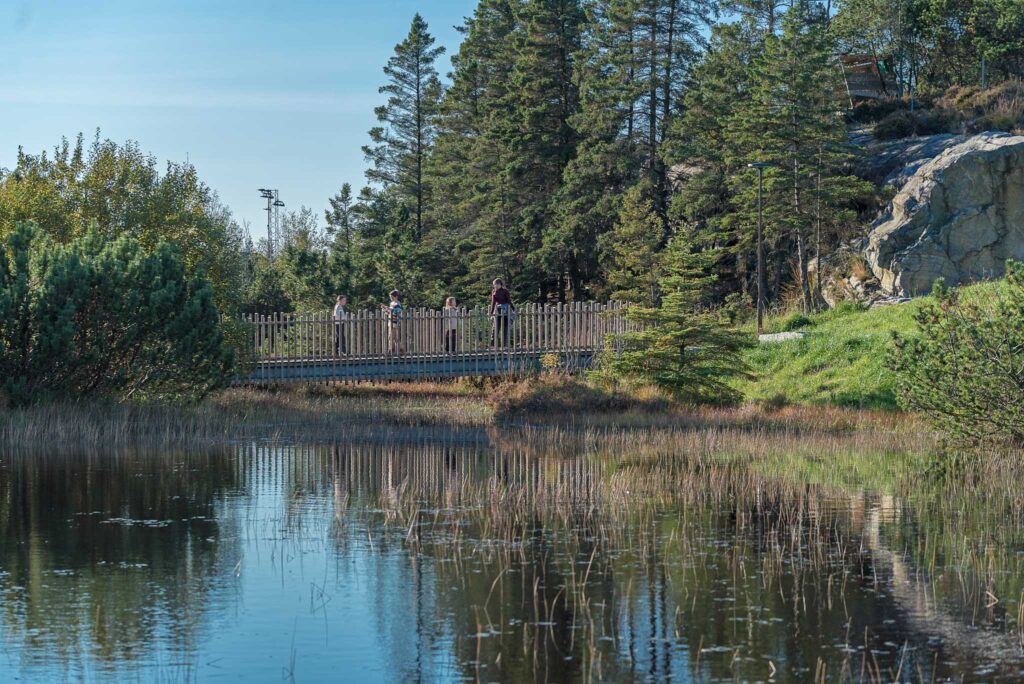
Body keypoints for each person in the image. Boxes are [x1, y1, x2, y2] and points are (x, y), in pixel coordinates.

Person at [489, 278, 515, 347]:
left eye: (497, 284)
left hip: (506, 311)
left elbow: (509, 301)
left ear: (500, 284)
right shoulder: (494, 292)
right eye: (494, 284)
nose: (496, 286)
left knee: (505, 328)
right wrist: (491, 313)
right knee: (495, 328)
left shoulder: (505, 291)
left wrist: (513, 309)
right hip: (498, 311)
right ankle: (492, 345)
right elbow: (493, 303)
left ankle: (504, 345)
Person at [381, 290, 404, 355]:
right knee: (395, 338)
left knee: (390, 336)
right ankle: (401, 350)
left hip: (395, 321)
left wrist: (388, 309)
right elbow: (389, 313)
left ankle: (390, 350)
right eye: (390, 297)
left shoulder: (397, 303)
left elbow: (398, 312)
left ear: (396, 296)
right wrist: (385, 309)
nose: (391, 298)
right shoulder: (391, 303)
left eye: (392, 297)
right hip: (390, 321)